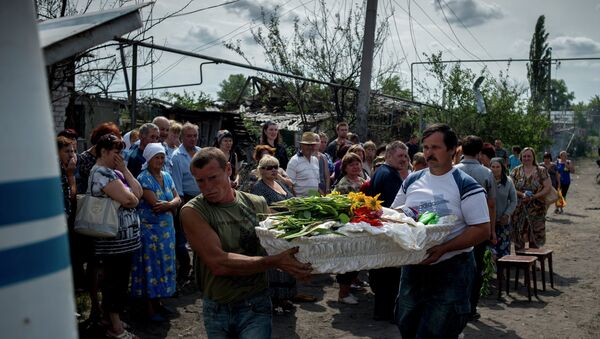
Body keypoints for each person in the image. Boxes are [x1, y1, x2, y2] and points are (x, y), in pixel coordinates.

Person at [180, 147, 312, 338]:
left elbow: (280, 241)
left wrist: (305, 263)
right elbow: (218, 263)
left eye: (213, 177)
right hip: (219, 307)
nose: (207, 186)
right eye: (200, 181)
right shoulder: (193, 211)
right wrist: (276, 262)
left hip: (256, 303)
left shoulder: (257, 203)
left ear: (228, 169)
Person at [391, 124, 490, 339]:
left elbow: (483, 230)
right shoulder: (412, 179)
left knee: (438, 331)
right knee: (407, 324)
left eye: (435, 147)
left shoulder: (466, 185)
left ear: (453, 150)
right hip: (413, 266)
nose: (428, 153)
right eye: (426, 147)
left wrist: (444, 248)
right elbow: (393, 215)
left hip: (451, 270)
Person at [90, 134, 143, 339]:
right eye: (116, 151)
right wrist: (132, 198)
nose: (120, 156)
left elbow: (137, 191)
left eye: (122, 151)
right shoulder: (102, 173)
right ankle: (116, 328)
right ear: (103, 151)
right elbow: (130, 200)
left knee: (119, 280)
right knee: (116, 283)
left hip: (123, 241)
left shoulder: (115, 172)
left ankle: (110, 319)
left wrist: (125, 170)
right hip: (113, 241)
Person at [131, 143, 181, 322]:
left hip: (167, 231)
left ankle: (159, 302)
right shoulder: (143, 178)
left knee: (164, 266)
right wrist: (171, 205)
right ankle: (149, 309)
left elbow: (177, 198)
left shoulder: (167, 176)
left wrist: (170, 204)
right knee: (150, 268)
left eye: (161, 157)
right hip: (150, 233)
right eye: (156, 157)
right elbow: (155, 205)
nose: (159, 160)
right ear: (148, 159)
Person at [454, 135, 497, 321]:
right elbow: (492, 204)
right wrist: (492, 230)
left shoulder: (453, 171)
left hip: (455, 228)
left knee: (454, 267)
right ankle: (470, 308)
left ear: (461, 149)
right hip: (479, 227)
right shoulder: (486, 173)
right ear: (479, 152)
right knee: (475, 267)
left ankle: (454, 306)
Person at [367, 141, 409, 321]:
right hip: (387, 227)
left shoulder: (381, 172)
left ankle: (381, 311)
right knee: (389, 273)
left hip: (380, 226)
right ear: (389, 155)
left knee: (383, 271)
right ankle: (386, 312)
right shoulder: (389, 175)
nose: (404, 160)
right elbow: (395, 207)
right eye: (400, 156)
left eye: (406, 156)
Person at [250, 155, 297, 314]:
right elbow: (262, 209)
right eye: (269, 167)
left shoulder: (279, 183)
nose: (273, 170)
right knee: (274, 266)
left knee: (287, 261)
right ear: (261, 170)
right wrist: (283, 215)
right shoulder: (258, 187)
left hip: (287, 229)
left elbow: (292, 200)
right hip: (271, 230)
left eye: (275, 167)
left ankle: (285, 298)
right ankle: (273, 300)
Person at [332, 153, 366, 305]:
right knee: (348, 258)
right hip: (348, 225)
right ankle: (343, 294)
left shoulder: (363, 180)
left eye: (358, 163)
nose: (356, 166)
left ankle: (352, 283)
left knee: (358, 257)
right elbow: (341, 208)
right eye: (351, 164)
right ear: (345, 168)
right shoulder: (343, 184)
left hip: (362, 223)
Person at [170, 122, 201, 283]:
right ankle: (184, 266)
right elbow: (177, 183)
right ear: (182, 137)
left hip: (202, 199)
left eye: (195, 135)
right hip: (185, 198)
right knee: (181, 239)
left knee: (201, 237)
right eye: (189, 136)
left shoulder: (201, 153)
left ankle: (197, 271)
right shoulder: (176, 156)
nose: (192, 139)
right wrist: (181, 206)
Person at [510, 147, 552, 250]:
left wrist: (534, 197)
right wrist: (522, 195)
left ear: (533, 157)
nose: (526, 158)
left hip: (537, 209)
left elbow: (548, 187)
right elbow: (510, 188)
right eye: (524, 156)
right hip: (519, 210)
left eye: (529, 156)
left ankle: (533, 264)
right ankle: (520, 264)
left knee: (535, 238)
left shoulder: (541, 170)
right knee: (519, 237)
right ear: (521, 157)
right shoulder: (515, 171)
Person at [57, 136, 82, 288]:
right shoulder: (60, 171)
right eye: (67, 151)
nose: (71, 155)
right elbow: (71, 195)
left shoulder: (66, 168)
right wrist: (71, 176)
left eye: (73, 151)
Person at [490, 157, 517, 258]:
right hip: (489, 223)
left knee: (503, 252)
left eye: (498, 167)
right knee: (490, 252)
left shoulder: (508, 182)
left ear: (502, 168)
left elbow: (514, 201)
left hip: (503, 222)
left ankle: (503, 273)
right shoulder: (487, 181)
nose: (495, 169)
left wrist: (507, 214)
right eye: (493, 167)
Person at [286, 132, 321, 197]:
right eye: (307, 145)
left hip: (313, 201)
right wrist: (296, 201)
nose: (310, 147)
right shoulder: (294, 161)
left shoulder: (315, 160)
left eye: (312, 145)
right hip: (300, 203)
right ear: (301, 145)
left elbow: (316, 182)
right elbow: (289, 185)